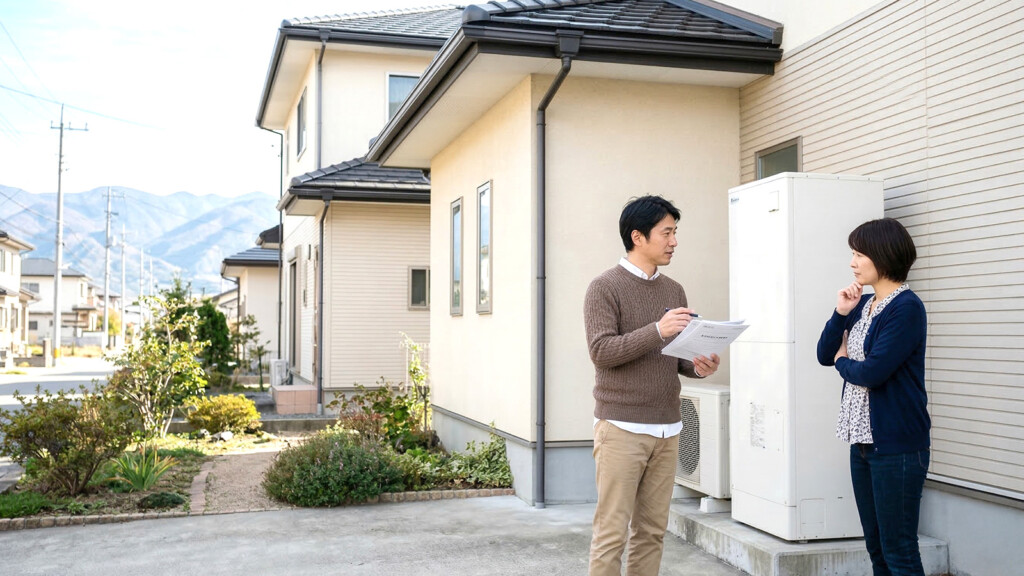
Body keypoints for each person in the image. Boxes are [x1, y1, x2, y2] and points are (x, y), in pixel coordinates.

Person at [584, 195, 720, 576]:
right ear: (638, 237)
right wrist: (657, 330)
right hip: (621, 429)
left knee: (652, 533)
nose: (674, 241)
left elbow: (676, 356)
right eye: (667, 232)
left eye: (675, 232)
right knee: (611, 534)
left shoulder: (674, 290)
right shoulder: (603, 287)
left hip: (668, 427)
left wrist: (698, 366)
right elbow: (601, 351)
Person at [816, 217, 930, 576]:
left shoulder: (906, 308)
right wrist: (840, 313)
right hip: (862, 444)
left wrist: (844, 361)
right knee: (877, 547)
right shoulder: (863, 304)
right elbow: (823, 353)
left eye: (859, 254)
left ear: (882, 256)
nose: (852, 263)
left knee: (899, 550)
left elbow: (873, 373)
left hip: (896, 447)